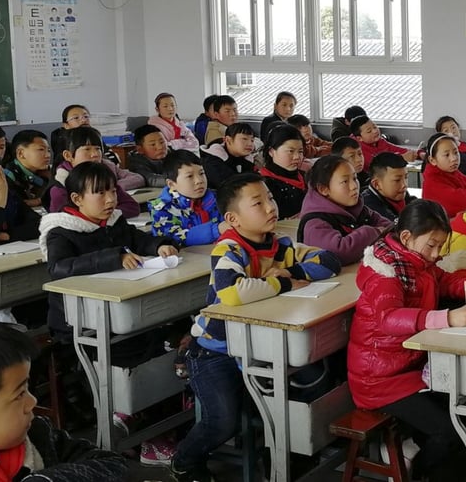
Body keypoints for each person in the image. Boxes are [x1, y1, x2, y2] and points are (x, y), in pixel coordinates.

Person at [170, 173, 341, 481]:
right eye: (258, 203)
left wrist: (286, 269)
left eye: (270, 199)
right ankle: (184, 459)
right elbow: (232, 292)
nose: (270, 207)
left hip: (263, 343)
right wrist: (283, 281)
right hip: (215, 351)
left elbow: (328, 261)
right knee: (223, 421)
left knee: (314, 380)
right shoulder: (229, 249)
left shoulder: (278, 246)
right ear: (232, 218)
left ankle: (276, 451)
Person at [348, 199, 466, 481]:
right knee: (449, 431)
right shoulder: (385, 271)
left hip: (411, 366)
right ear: (406, 237)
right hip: (380, 380)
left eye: (440, 246)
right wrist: (446, 318)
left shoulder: (416, 260)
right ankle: (421, 471)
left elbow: (449, 282)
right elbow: (389, 318)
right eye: (431, 245)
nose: (435, 254)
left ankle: (429, 455)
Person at [0, 321, 127, 481]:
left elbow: (111, 463)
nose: (33, 401)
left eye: (27, 389)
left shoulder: (38, 435)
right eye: (19, 395)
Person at [39, 161, 179, 335]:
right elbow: (58, 268)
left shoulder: (113, 220)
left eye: (113, 191)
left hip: (116, 305)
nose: (111, 199)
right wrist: (115, 258)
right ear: (77, 199)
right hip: (78, 318)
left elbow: (136, 239)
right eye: (100, 193)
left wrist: (158, 246)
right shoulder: (61, 231)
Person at [297, 155, 392, 265]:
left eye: (355, 178)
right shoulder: (315, 223)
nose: (354, 186)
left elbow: (390, 229)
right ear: (324, 189)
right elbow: (339, 252)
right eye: (345, 181)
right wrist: (375, 232)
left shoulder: (358, 210)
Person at [48, 127, 142, 217]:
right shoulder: (60, 188)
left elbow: (132, 207)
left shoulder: (104, 177)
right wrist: (96, 215)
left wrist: (105, 214)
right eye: (87, 149)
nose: (95, 154)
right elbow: (60, 220)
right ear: (68, 156)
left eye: (98, 149)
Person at [149, 150, 227, 247]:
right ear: (172, 184)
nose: (199, 181)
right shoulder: (162, 208)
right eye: (190, 176)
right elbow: (173, 238)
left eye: (201, 173)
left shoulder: (218, 198)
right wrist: (217, 229)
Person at [420, 133, 466, 218]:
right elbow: (461, 200)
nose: (454, 158)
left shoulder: (453, 172)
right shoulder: (432, 182)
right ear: (432, 160)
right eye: (447, 155)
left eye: (456, 152)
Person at [257, 124, 307, 219]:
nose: (297, 157)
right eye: (290, 151)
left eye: (300, 151)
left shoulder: (306, 176)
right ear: (271, 151)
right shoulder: (263, 184)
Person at [361, 152, 417, 222]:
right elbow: (400, 226)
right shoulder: (369, 208)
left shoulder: (400, 192)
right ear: (376, 184)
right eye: (397, 180)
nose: (404, 185)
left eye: (406, 177)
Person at [200, 123, 256, 190]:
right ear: (228, 140)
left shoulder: (246, 159)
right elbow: (229, 186)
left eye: (252, 140)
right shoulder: (212, 160)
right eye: (244, 139)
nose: (250, 144)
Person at [6, 130, 52, 208]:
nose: (48, 155)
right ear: (21, 153)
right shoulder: (8, 176)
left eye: (48, 150)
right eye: (41, 149)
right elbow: (14, 204)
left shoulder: (46, 173)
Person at [351, 116, 417, 166]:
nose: (375, 131)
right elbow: (377, 165)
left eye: (375, 127)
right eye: (369, 131)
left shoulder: (380, 141)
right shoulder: (356, 149)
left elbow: (398, 149)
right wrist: (401, 158)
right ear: (359, 138)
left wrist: (419, 153)